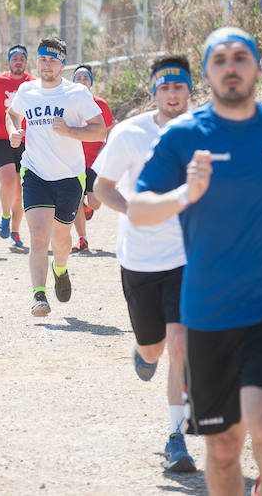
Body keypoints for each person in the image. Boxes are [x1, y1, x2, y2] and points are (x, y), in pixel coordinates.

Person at [129, 27, 262, 496]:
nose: (231, 66)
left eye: (241, 57)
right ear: (207, 72)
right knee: (221, 448)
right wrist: (186, 193)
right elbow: (138, 210)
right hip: (208, 310)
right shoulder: (183, 137)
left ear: (258, 67)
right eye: (219, 59)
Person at [92, 56, 196, 473]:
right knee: (154, 347)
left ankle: (176, 438)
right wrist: (133, 208)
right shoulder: (130, 133)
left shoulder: (204, 131)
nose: (173, 94)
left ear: (190, 89)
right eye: (165, 87)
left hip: (187, 257)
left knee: (180, 344)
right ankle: (143, 353)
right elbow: (101, 187)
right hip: (138, 258)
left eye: (180, 86)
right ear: (155, 90)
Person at [6, 36, 106, 317]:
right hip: (35, 172)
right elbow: (12, 114)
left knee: (61, 240)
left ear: (62, 63)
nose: (46, 65)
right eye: (42, 59)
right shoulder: (26, 90)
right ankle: (39, 295)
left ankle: (60, 268)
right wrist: (14, 130)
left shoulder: (77, 94)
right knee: (38, 236)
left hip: (69, 178)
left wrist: (72, 132)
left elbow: (100, 131)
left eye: (52, 59)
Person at [0, 44, 35, 247]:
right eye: (14, 58)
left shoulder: (33, 83)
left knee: (20, 189)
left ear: (26, 62)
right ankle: (4, 215)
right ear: (8, 61)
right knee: (9, 181)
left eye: (22, 58)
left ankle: (15, 232)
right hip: (0, 138)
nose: (18, 61)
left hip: (25, 139)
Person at [70, 64, 114, 253]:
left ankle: (88, 208)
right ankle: (82, 239)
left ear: (91, 82)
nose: (81, 81)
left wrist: (106, 148)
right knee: (75, 201)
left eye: (85, 78)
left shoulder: (100, 104)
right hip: (72, 161)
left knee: (95, 202)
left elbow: (110, 129)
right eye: (78, 78)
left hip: (94, 162)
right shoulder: (67, 103)